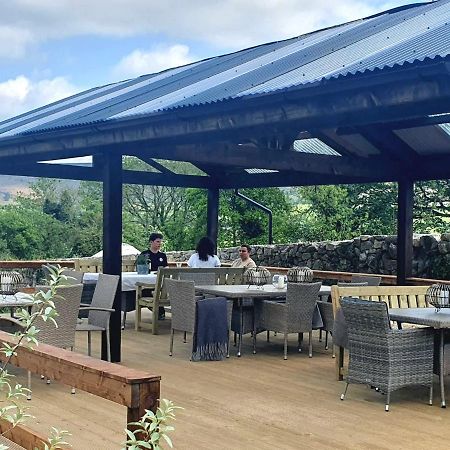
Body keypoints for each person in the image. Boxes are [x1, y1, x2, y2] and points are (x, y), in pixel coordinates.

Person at [137, 232, 168, 319]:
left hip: (160, 282)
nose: (160, 244)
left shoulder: (163, 255)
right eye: (158, 241)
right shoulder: (144, 254)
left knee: (156, 291)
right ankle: (159, 310)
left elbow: (166, 268)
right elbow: (139, 268)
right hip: (147, 282)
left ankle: (158, 310)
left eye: (160, 242)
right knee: (145, 291)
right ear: (151, 242)